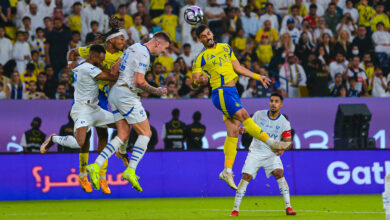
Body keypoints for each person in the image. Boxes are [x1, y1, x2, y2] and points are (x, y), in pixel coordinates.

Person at [192, 24, 290, 190]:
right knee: (245, 116)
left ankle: (227, 171)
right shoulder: (200, 57)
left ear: (212, 34)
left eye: (208, 32)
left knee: (233, 132)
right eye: (203, 35)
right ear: (200, 39)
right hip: (221, 93)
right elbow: (194, 80)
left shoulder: (225, 47)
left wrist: (258, 76)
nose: (207, 36)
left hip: (232, 91)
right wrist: (198, 81)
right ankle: (271, 143)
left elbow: (238, 68)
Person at [41, 18, 126, 194]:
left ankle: (102, 175)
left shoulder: (118, 54)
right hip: (83, 106)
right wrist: (69, 64)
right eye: (121, 39)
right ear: (112, 41)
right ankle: (80, 173)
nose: (123, 43)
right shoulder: (89, 61)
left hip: (99, 99)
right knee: (83, 141)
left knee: (114, 130)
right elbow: (73, 54)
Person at [86, 32, 171, 193]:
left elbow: (115, 69)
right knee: (146, 133)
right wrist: (157, 91)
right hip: (127, 95)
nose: (163, 53)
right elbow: (139, 81)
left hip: (116, 92)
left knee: (123, 135)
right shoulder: (144, 54)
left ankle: (95, 165)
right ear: (158, 43)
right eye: (164, 48)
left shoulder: (134, 47)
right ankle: (131, 169)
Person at [230, 93, 296, 217]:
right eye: (271, 101)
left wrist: (282, 149)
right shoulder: (258, 114)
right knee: (246, 176)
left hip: (271, 154)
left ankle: (288, 207)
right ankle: (235, 209)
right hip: (255, 151)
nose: (273, 103)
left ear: (281, 104)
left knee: (279, 173)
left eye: (276, 101)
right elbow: (249, 127)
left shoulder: (284, 123)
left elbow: (288, 143)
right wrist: (244, 130)